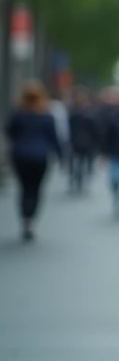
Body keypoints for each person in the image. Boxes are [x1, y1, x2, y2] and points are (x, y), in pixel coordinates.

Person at [5, 81, 61, 241]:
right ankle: (31, 220)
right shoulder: (46, 115)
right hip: (40, 156)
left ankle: (25, 218)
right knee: (36, 189)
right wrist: (61, 156)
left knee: (24, 188)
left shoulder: (17, 114)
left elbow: (10, 132)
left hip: (20, 155)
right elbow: (54, 138)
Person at [67, 87, 100, 194]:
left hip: (80, 143)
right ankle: (78, 180)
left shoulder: (75, 114)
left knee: (78, 163)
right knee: (81, 164)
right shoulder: (86, 114)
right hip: (83, 143)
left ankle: (77, 180)